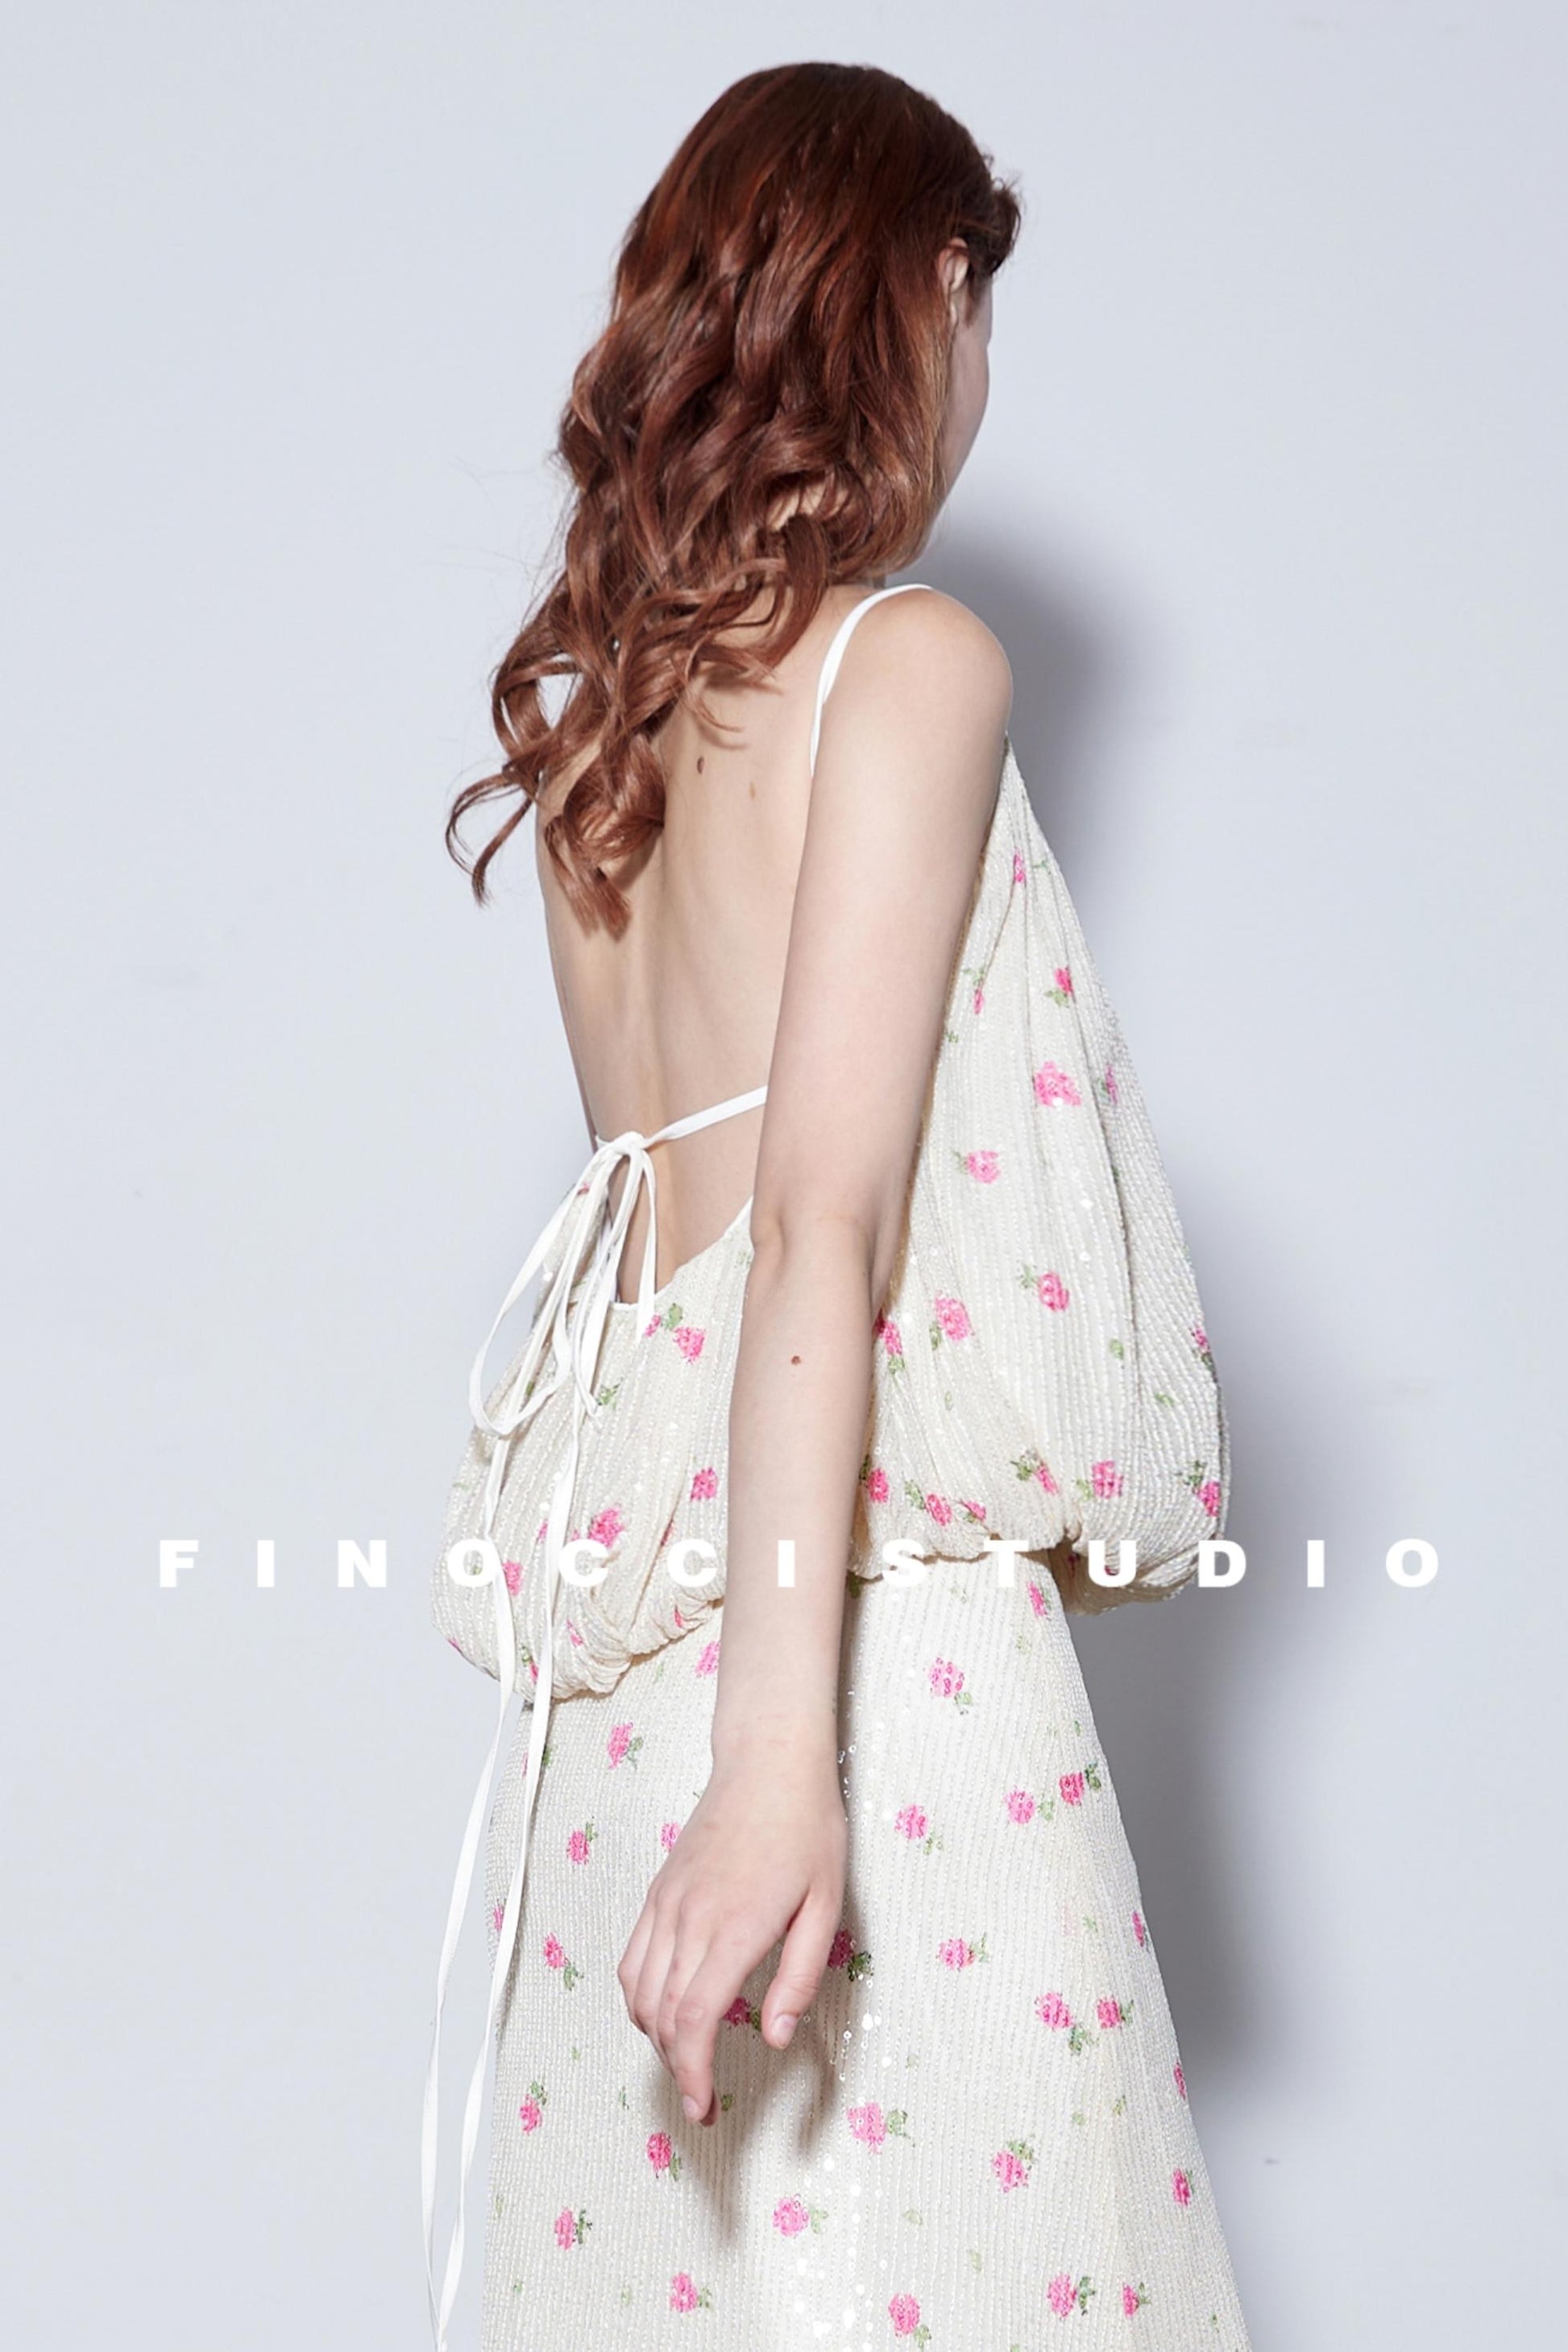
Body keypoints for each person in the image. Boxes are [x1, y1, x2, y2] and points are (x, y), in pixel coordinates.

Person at [425, 60, 1253, 2352]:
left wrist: (716, 1761)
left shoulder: (598, 726)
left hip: (639, 1690)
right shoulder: (911, 661)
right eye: (977, 315)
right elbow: (817, 1234)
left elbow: (672, 1254)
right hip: (855, 1673)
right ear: (934, 282)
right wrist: (785, 1777)